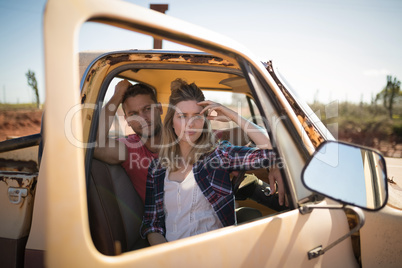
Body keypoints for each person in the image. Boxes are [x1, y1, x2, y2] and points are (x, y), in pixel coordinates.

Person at [94, 79, 288, 207]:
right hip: (174, 229)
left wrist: (272, 162)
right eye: (133, 114)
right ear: (126, 118)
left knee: (281, 201)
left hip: (212, 213)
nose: (143, 118)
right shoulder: (130, 150)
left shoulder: (193, 137)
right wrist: (117, 96)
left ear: (160, 110)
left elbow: (258, 137)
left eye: (147, 109)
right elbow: (95, 146)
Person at [140, 79, 281, 245]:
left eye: (197, 116)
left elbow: (274, 150)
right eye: (182, 116)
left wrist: (231, 115)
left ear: (205, 120)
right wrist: (165, 258)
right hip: (172, 256)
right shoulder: (156, 169)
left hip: (216, 253)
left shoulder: (219, 155)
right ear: (171, 121)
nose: (190, 124)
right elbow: (152, 224)